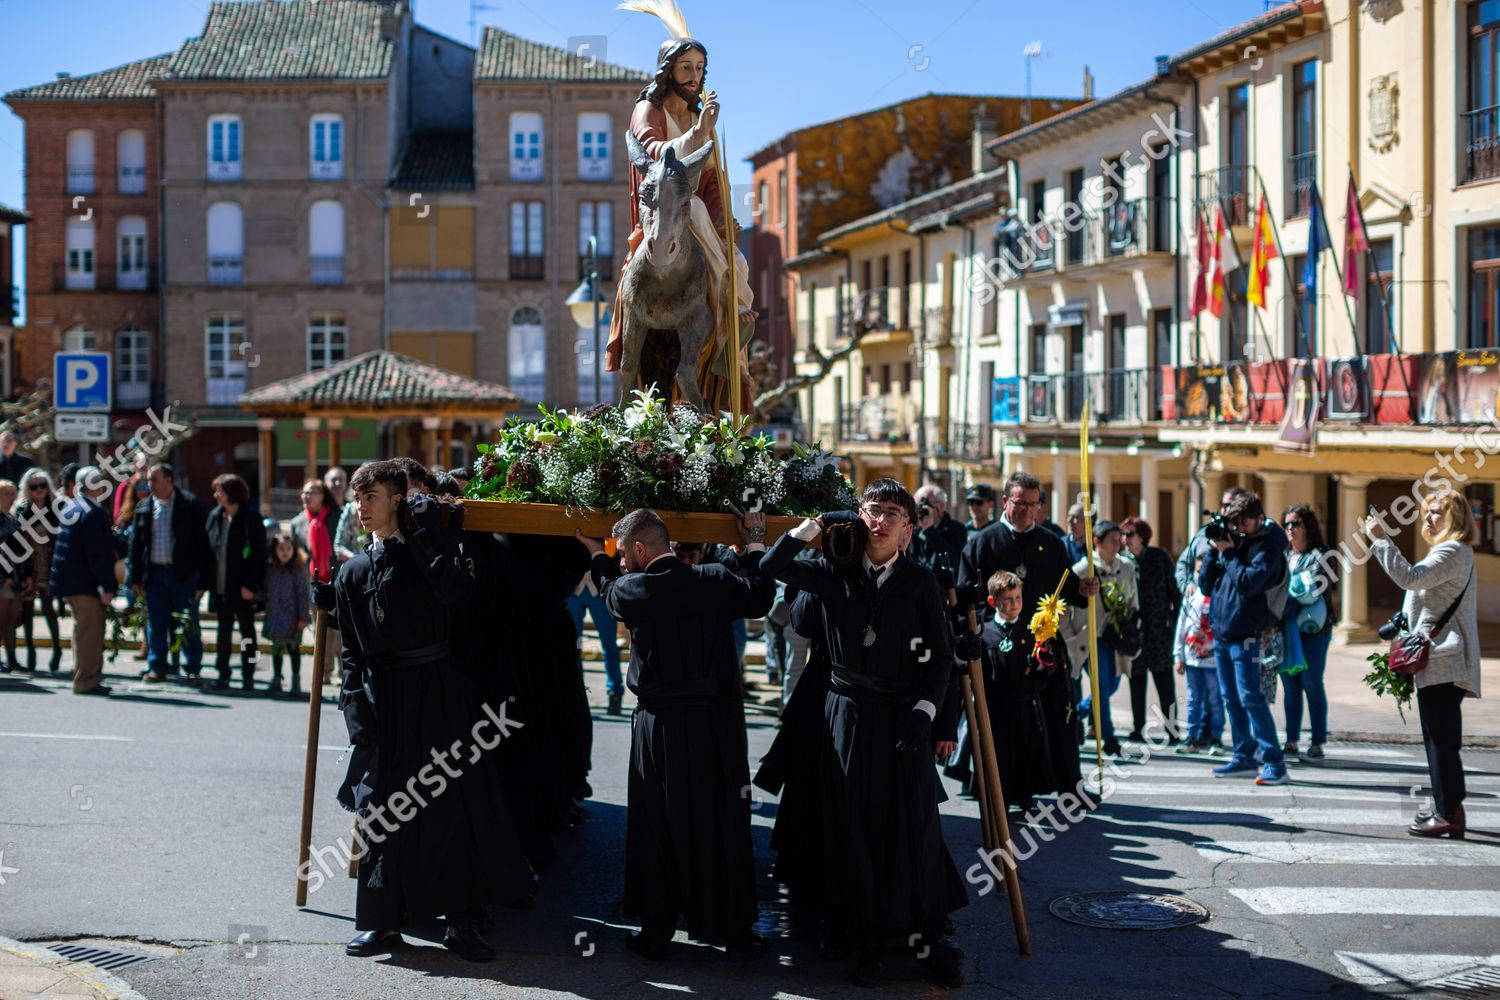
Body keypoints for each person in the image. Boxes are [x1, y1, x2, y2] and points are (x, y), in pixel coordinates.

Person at [762, 478, 966, 989]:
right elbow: (772, 568)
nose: (880, 520)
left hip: (902, 715)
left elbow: (941, 660)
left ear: (907, 529)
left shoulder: (919, 582)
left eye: (893, 513)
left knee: (912, 826)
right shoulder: (835, 570)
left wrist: (923, 714)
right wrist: (811, 528)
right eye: (872, 510)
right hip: (846, 712)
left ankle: (927, 936)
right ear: (858, 516)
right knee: (851, 825)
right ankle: (866, 937)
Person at [335, 459, 534, 960]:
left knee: (448, 807)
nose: (361, 507)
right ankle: (379, 922)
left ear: (397, 500)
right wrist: (359, 716)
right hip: (386, 701)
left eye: (372, 497)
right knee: (381, 809)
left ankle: (461, 922)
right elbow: (351, 655)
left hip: (439, 693)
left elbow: (459, 597)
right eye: (357, 498)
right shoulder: (352, 572)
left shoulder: (429, 553)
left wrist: (424, 537)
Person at [577, 508, 774, 959]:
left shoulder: (632, 589)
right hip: (715, 724)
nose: (621, 561)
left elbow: (609, 590)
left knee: (656, 824)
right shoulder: (714, 580)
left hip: (658, 726)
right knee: (721, 819)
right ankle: (734, 931)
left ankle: (656, 930)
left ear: (640, 549)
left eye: (623, 553)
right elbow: (762, 597)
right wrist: (755, 544)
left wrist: (595, 555)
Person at [606, 18, 755, 413]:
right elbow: (655, 153)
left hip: (694, 209)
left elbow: (712, 182)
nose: (694, 76)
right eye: (686, 67)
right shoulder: (647, 109)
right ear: (668, 69)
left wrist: (726, 221)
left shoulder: (698, 118)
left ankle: (731, 317)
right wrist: (698, 133)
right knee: (696, 208)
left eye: (700, 69)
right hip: (659, 209)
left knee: (735, 257)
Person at [1368, 489, 1480, 839]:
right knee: (1438, 736)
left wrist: (1381, 540)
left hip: (1445, 659)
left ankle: (1447, 813)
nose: (1428, 518)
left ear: (1456, 518)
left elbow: (1411, 578)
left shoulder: (1453, 550)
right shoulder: (1450, 551)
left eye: (1437, 512)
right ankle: (1450, 808)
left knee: (1441, 739)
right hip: (1439, 659)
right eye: (1427, 512)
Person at [1198, 489, 1290, 786]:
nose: (1240, 529)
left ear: (1260, 519)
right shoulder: (1234, 543)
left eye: (1246, 523)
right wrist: (1215, 550)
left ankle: (1274, 762)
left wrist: (1229, 553)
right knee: (1231, 698)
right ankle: (1243, 756)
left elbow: (1250, 584)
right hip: (1223, 632)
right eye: (1236, 523)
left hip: (1248, 633)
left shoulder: (1268, 547)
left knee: (1251, 696)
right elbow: (1205, 585)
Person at [978, 570, 1065, 814]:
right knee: (1001, 753)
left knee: (1027, 751)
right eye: (1009, 599)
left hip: (1027, 703)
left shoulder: (1033, 630)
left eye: (1018, 598)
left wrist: (1044, 660)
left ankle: (1024, 795)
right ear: (994, 601)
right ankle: (1001, 798)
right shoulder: (985, 633)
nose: (1015, 604)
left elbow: (1046, 671)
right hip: (998, 705)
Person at [128, 463, 209, 683]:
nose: (149, 484)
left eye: (154, 479)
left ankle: (193, 668)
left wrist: (201, 580)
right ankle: (157, 667)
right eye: (148, 480)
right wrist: (134, 578)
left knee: (188, 623)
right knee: (156, 624)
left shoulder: (190, 504)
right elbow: (136, 545)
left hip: (182, 575)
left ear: (169, 480)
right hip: (154, 575)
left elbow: (202, 545)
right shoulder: (144, 507)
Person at [1070, 520, 1137, 756]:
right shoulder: (1082, 569)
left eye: (1120, 539)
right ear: (1096, 542)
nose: (1118, 544)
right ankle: (1107, 736)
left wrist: (1132, 624)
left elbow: (1132, 598)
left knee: (1112, 683)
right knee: (1103, 684)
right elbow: (1069, 607)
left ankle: (1077, 712)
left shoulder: (1126, 567)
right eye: (1112, 540)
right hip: (1090, 636)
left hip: (1115, 636)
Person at [51, 468, 116, 696]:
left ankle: (81, 674)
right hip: (85, 585)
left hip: (72, 583)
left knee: (82, 631)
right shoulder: (92, 512)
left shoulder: (72, 507)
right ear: (96, 485)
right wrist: (106, 586)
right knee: (90, 633)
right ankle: (86, 680)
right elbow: (96, 555)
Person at [1281, 504, 1336, 761]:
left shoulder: (1322, 554)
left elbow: (1312, 588)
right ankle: (1291, 741)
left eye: (1296, 524)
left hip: (1314, 630)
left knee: (1312, 683)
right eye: (1287, 524)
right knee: (1291, 687)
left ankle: (1317, 743)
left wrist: (1286, 600)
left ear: (1308, 527)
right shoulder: (1283, 555)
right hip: (1286, 629)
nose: (1290, 529)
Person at [1121, 516, 1179, 742]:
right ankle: (1138, 728)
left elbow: (1174, 591)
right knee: (1136, 680)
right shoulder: (1123, 560)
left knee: (1165, 682)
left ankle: (1172, 730)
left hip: (1158, 630)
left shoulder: (1159, 556)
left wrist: (1172, 621)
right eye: (1123, 535)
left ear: (1142, 536)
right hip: (1134, 630)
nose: (1125, 539)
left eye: (1130, 534)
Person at [206, 473, 267, 692]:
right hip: (221, 587)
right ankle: (222, 674)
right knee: (223, 633)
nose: (216, 495)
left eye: (219, 491)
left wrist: (251, 585)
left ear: (232, 493)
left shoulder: (251, 519)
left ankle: (249, 674)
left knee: (247, 635)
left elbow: (260, 556)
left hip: (243, 589)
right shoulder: (214, 516)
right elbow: (208, 554)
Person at [11, 470, 62, 673]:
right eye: (34, 487)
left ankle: (57, 648)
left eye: (42, 485)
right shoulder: (22, 510)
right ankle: (30, 650)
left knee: (50, 610)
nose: (39, 490)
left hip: (50, 565)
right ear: (27, 489)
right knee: (28, 610)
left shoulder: (56, 508)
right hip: (28, 566)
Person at [1173, 553, 1224, 753]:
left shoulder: (1220, 595)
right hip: (1193, 659)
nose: (1202, 576)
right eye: (1198, 571)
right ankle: (1192, 737)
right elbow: (1181, 627)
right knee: (1193, 699)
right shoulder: (1191, 596)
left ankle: (1216, 737)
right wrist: (1178, 656)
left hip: (1213, 660)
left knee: (1215, 699)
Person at [1175, 485, 1253, 595]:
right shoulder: (1208, 531)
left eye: (1230, 505)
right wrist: (1187, 584)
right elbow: (1184, 563)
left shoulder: (1249, 536)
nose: (1226, 510)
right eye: (1223, 505)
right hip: (1201, 603)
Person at [568, 572, 623, 715]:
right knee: (573, 647)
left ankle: (615, 692)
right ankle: (576, 693)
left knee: (609, 644)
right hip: (572, 588)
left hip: (599, 587)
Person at [263, 533, 310, 697]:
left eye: (288, 548)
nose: (285, 552)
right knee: (277, 649)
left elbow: (304, 594)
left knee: (293, 648)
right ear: (274, 550)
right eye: (281, 548)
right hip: (275, 616)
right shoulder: (271, 570)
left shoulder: (298, 570)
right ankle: (276, 678)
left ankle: (295, 680)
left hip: (293, 617)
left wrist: (303, 617)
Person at [910, 484, 968, 579]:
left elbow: (955, 561)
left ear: (940, 506)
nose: (920, 511)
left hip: (945, 589)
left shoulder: (956, 529)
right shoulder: (913, 529)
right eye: (917, 507)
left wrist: (930, 530)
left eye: (924, 506)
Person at [289, 480, 336, 585]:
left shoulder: (336, 518)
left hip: (335, 578)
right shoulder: (296, 523)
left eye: (310, 493)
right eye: (304, 493)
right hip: (307, 581)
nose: (306, 496)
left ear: (322, 496)